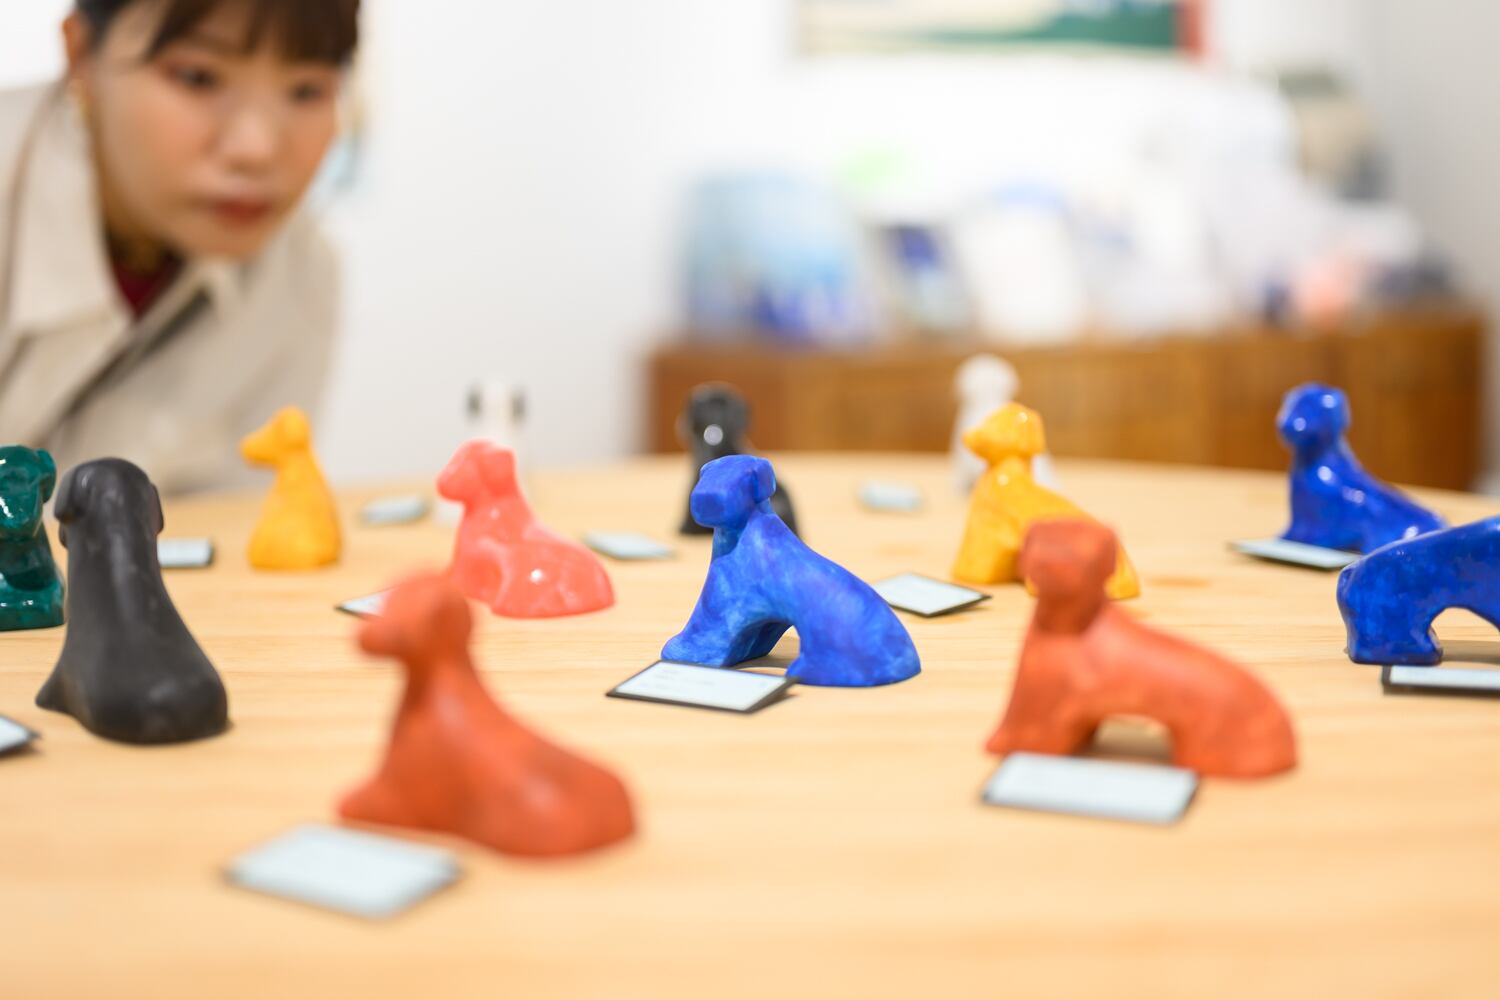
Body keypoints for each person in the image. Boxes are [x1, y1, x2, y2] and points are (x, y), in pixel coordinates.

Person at [0, 0, 359, 492]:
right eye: (198, 78)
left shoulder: (300, 280)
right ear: (81, 54)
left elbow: (230, 526)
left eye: (307, 90)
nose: (256, 148)